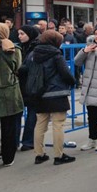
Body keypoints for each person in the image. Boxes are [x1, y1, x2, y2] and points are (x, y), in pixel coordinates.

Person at [22, 31, 76, 165]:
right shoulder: (56, 55)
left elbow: (24, 70)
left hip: (38, 94)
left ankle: (39, 154)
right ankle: (59, 155)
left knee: (40, 124)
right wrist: (72, 82)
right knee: (58, 124)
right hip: (56, 93)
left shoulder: (32, 54)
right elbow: (65, 73)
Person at [0, 23, 23, 171]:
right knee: (9, 127)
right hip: (10, 93)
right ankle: (8, 158)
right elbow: (18, 69)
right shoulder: (14, 49)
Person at [16, 25, 41, 151]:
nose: (19, 36)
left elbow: (30, 67)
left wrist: (18, 69)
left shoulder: (36, 48)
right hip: (19, 84)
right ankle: (14, 142)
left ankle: (28, 141)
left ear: (30, 34)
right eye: (19, 34)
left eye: (22, 34)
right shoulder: (19, 47)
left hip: (31, 85)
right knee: (16, 114)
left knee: (32, 114)